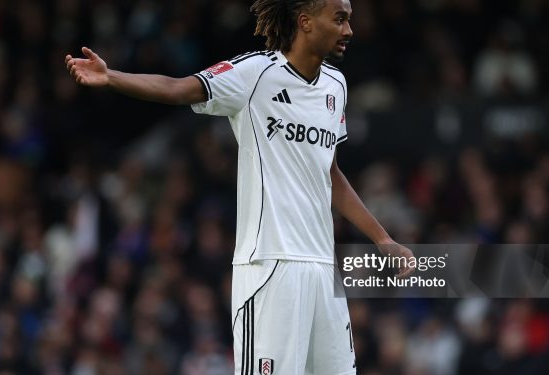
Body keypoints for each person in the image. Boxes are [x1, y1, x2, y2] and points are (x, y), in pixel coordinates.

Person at [66, 0, 414, 373]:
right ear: (306, 22)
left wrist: (382, 239)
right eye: (340, 19)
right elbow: (178, 88)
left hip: (323, 268)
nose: (349, 31)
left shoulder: (336, 85)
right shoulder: (255, 73)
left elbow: (329, 173)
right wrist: (112, 76)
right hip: (269, 265)